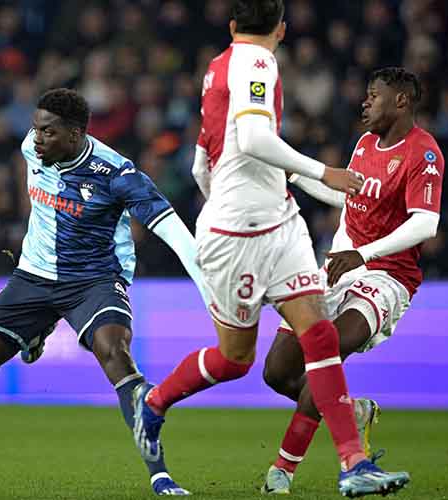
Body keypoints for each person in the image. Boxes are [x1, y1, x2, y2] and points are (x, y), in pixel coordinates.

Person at [131, 2, 410, 497]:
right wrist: (325, 173)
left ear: (232, 25)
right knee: (235, 359)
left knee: (319, 336)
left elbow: (200, 164)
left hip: (274, 225)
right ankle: (153, 403)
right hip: (242, 234)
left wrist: (229, 205)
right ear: (281, 28)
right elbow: (257, 138)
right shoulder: (259, 61)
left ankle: (354, 464)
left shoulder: (216, 68)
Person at [0, 88, 207, 496]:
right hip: (33, 278)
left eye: (48, 132)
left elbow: (172, 230)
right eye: (35, 129)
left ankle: (160, 476)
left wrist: (209, 285)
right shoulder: (32, 148)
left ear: (75, 134)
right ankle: (37, 329)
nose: (37, 139)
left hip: (94, 280)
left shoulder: (117, 174)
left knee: (114, 353)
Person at [260, 66, 444, 494]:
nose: (365, 102)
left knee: (326, 351)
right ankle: (353, 411)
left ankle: (283, 470)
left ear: (400, 101)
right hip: (338, 270)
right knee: (277, 372)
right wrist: (293, 174)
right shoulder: (364, 144)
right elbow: (347, 196)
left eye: (373, 95)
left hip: (386, 277)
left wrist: (364, 253)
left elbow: (426, 223)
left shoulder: (424, 153)